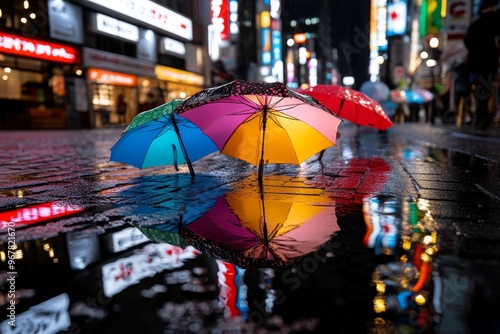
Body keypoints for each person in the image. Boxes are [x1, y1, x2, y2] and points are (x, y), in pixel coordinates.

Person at [463, 0, 500, 130]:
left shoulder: (475, 24)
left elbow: (467, 41)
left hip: (476, 63)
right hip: (489, 62)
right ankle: (483, 114)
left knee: (479, 89)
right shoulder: (495, 20)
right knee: (485, 88)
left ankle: (481, 114)